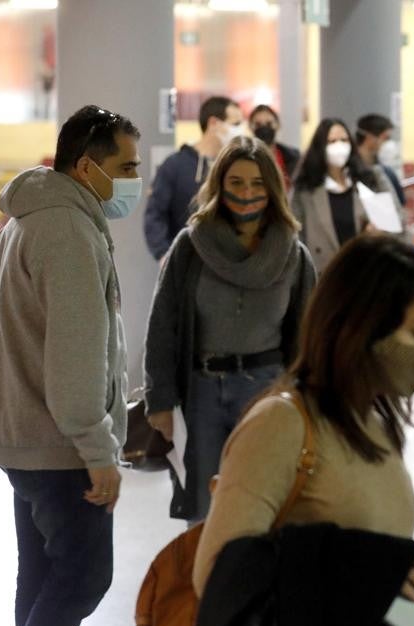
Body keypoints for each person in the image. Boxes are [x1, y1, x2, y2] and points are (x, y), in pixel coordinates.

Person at [193, 235, 414, 626]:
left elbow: (376, 556)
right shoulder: (282, 424)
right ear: (361, 325)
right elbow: (217, 576)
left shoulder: (372, 417)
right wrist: (378, 570)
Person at [0, 105, 142, 626]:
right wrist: (98, 449)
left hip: (21, 435)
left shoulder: (25, 221)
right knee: (83, 576)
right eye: (125, 166)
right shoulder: (69, 232)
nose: (133, 179)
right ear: (87, 166)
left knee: (42, 570)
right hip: (59, 444)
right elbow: (77, 354)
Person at [144, 136, 317, 523]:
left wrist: (312, 402)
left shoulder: (292, 254)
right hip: (202, 391)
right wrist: (160, 400)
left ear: (272, 189)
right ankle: (203, 581)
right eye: (236, 182)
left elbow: (310, 336)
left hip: (268, 392)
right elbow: (163, 326)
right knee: (204, 511)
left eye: (257, 184)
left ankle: (255, 581)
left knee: (264, 503)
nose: (246, 193)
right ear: (219, 185)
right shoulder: (190, 247)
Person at [291, 117, 396, 273]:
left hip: (367, 271)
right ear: (320, 146)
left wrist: (379, 230)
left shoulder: (369, 179)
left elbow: (392, 223)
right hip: (323, 276)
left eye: (344, 140)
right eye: (332, 141)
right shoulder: (306, 190)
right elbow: (296, 238)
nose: (339, 146)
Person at [144, 95, 243, 260]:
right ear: (214, 124)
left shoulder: (236, 167)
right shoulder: (175, 166)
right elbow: (155, 215)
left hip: (228, 265)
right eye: (235, 124)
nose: (240, 130)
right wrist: (164, 255)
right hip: (186, 263)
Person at [356, 113, 408, 207]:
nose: (389, 144)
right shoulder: (350, 170)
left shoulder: (387, 173)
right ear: (370, 137)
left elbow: (399, 205)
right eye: (386, 138)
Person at [249, 104, 300, 188]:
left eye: (269, 124)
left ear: (278, 125)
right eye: (258, 124)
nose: (264, 128)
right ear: (251, 127)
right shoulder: (244, 157)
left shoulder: (294, 157)